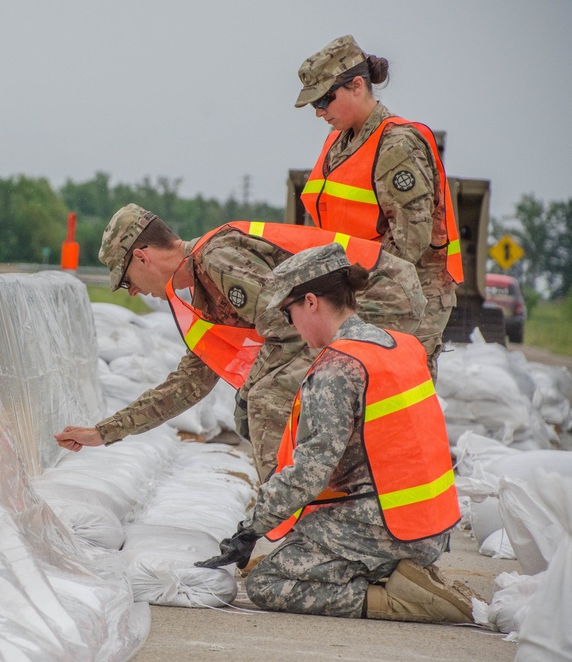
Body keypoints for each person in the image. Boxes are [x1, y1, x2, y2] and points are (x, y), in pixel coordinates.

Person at [195, 243, 478, 624]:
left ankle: (400, 597)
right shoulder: (401, 345)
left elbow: (312, 470)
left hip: (389, 526)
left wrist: (252, 528)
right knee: (298, 545)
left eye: (288, 311)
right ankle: (403, 571)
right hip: (431, 523)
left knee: (267, 581)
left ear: (311, 302)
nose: (289, 324)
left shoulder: (338, 367)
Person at [54, 203, 427, 482]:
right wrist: (104, 432)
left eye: (126, 279)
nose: (132, 292)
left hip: (381, 297)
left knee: (265, 400)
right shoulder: (203, 296)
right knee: (262, 401)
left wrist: (251, 392)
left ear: (142, 256)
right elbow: (186, 386)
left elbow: (290, 327)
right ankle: (309, 516)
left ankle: (295, 530)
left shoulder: (218, 259)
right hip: (349, 310)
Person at [294, 35, 463, 381]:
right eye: (314, 104)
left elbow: (409, 242)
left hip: (406, 294)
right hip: (361, 288)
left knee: (396, 393)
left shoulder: (397, 144)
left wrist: (347, 287)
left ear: (357, 85)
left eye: (326, 99)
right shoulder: (339, 142)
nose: (319, 112)